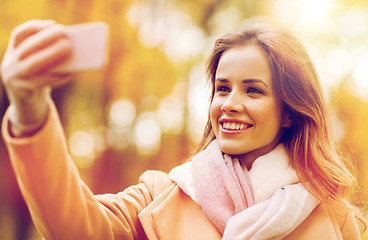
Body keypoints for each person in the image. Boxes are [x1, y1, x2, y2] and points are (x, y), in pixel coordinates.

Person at [1, 17, 363, 239]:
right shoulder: (162, 195)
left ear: (290, 112)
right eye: (223, 88)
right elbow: (76, 228)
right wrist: (30, 112)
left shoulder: (334, 217)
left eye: (253, 90)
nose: (230, 102)